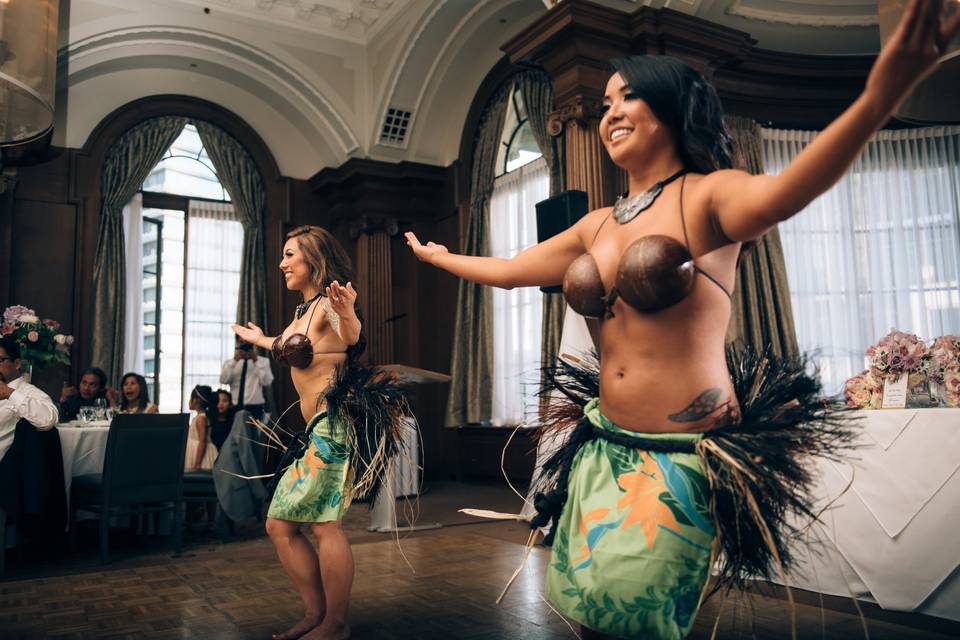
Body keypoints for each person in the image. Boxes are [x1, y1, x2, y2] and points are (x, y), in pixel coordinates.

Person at [406, 3, 960, 638]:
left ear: (671, 107)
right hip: (603, 445)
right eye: (606, 101)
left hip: (683, 455)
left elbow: (790, 191)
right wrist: (443, 258)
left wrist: (879, 97)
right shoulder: (596, 224)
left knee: (640, 616)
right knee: (588, 612)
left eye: (628, 98)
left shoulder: (709, 194)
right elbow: (511, 268)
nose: (611, 113)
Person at [233, 225, 407, 640]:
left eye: (290, 254)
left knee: (324, 525)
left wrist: (347, 312)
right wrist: (261, 339)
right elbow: (293, 345)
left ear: (313, 258)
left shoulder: (329, 302)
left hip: (336, 427)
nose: (282, 263)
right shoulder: (304, 310)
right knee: (282, 525)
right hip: (316, 431)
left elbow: (350, 335)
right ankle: (316, 615)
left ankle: (334, 623)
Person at [0, 336, 59, 466]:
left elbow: (49, 418)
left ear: (17, 363)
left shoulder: (28, 392)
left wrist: (9, 393)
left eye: (0, 360)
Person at [220, 335, 274, 420]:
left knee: (254, 433)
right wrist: (234, 362)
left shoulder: (263, 362)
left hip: (255, 408)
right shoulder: (229, 363)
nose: (245, 345)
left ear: (253, 343)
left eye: (248, 342)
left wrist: (256, 361)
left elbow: (267, 382)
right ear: (237, 343)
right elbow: (223, 380)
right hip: (234, 407)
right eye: (242, 342)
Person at [185, 385, 218, 471]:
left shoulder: (201, 419)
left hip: (200, 454)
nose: (189, 401)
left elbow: (202, 441)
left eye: (190, 398)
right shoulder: (198, 417)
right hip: (194, 450)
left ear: (196, 400)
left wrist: (197, 463)